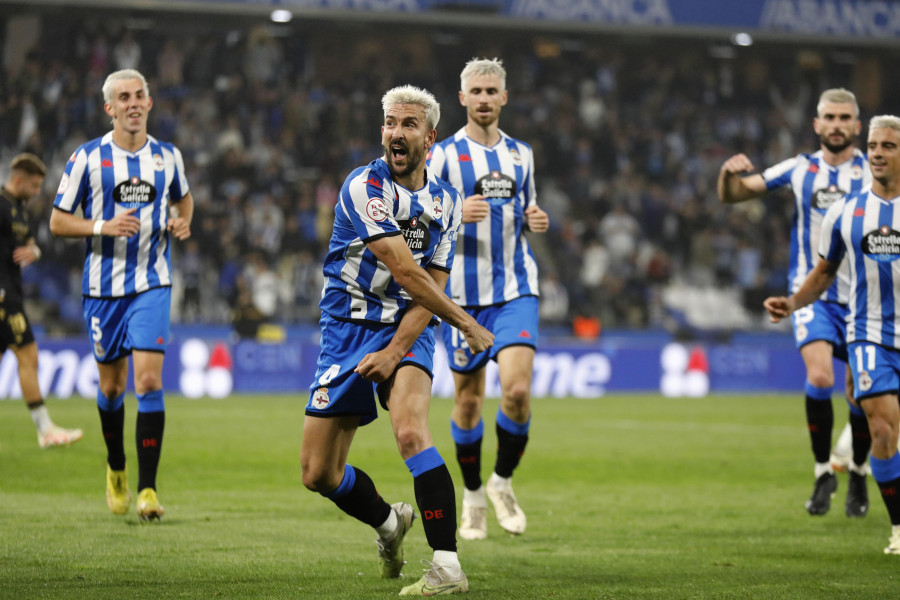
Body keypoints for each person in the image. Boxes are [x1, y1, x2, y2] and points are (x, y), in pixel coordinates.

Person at [299, 85, 493, 596]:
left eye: (408, 124)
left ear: (430, 137)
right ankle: (389, 524)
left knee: (410, 432)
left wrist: (393, 351)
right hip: (346, 330)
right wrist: (467, 324)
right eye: (389, 123)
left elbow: (429, 288)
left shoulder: (447, 203)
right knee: (318, 473)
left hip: (408, 327)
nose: (395, 133)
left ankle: (447, 566)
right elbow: (406, 271)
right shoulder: (364, 187)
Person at [718, 88, 871, 517]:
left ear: (857, 127)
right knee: (820, 378)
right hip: (812, 296)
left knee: (860, 393)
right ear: (817, 125)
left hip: (864, 299)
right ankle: (824, 471)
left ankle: (858, 470)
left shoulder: (874, 172)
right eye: (830, 117)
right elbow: (734, 195)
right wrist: (728, 173)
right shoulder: (800, 168)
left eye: (845, 118)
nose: (837, 125)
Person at [49, 69, 193, 521]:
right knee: (111, 389)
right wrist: (101, 226)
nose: (133, 103)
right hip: (102, 290)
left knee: (148, 382)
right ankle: (116, 469)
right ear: (109, 108)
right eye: (123, 97)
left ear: (150, 103)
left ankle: (148, 490)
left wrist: (181, 220)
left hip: (152, 282)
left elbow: (183, 200)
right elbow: (57, 221)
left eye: (139, 96)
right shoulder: (88, 158)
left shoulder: (169, 157)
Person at [764, 114, 900, 554]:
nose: (878, 153)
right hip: (869, 335)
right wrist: (793, 303)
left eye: (889, 146)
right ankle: (899, 528)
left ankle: (856, 471)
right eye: (875, 146)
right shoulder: (845, 210)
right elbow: (823, 272)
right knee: (883, 429)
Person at [427, 58, 549, 539]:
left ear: (503, 97)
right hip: (461, 298)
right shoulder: (443, 156)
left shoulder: (522, 155)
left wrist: (535, 219)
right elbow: (420, 222)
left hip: (516, 288)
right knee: (469, 403)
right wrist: (456, 214)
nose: (482, 99)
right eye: (474, 91)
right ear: (462, 99)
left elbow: (527, 207)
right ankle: (474, 494)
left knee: (517, 393)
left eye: (490, 91)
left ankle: (502, 482)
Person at [0, 153, 83, 448]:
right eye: (34, 186)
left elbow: (31, 245)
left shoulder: (24, 213)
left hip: (13, 290)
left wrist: (34, 252)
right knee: (28, 355)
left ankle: (45, 428)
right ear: (18, 179)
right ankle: (45, 429)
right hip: (3, 295)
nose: (37, 193)